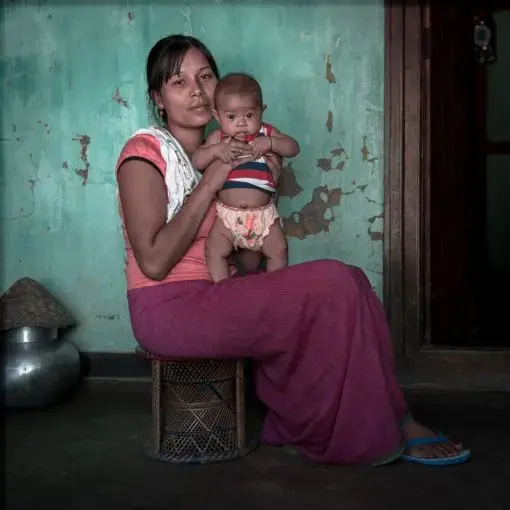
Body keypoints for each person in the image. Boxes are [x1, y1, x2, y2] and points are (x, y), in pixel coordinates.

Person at [115, 34, 471, 466]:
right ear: (158, 98)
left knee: (352, 281)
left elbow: (246, 261)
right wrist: (212, 181)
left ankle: (374, 419)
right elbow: (153, 261)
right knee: (335, 281)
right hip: (167, 307)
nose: (196, 90)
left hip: (217, 292)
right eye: (178, 81)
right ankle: (378, 429)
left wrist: (264, 198)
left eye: (205, 76)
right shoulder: (145, 154)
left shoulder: (237, 150)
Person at [192, 72, 300, 282]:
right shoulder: (219, 139)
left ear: (261, 111)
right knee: (214, 251)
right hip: (227, 218)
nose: (241, 123)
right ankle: (225, 292)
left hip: (264, 216)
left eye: (249, 115)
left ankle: (274, 291)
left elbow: (293, 147)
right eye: (231, 117)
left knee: (279, 250)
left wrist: (271, 144)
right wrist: (215, 151)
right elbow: (197, 160)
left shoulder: (266, 133)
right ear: (217, 115)